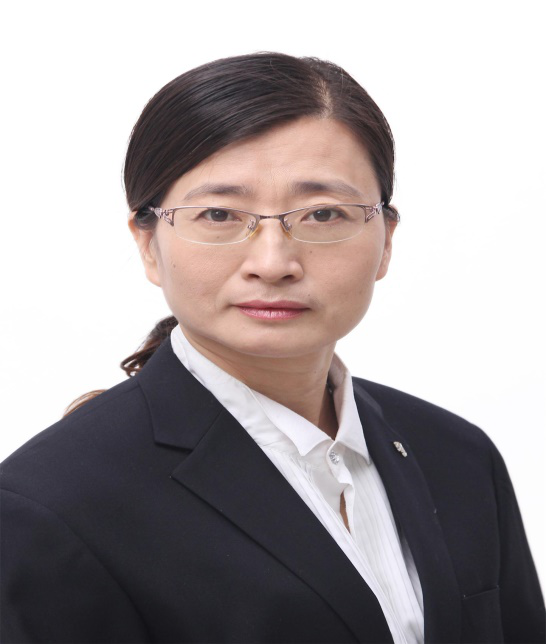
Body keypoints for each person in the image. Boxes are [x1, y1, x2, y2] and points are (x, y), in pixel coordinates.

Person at [1, 52, 544, 644]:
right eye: (218, 213)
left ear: (386, 239)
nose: (273, 263)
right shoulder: (48, 505)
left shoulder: (458, 457)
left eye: (323, 214)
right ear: (149, 243)